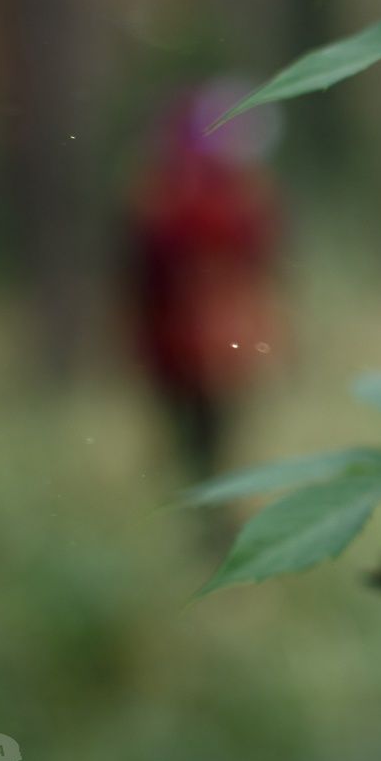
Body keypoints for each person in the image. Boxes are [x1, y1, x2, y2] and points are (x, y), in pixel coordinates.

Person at [126, 82, 281, 481]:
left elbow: (257, 264)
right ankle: (203, 505)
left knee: (207, 436)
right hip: (187, 345)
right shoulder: (174, 202)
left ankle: (203, 504)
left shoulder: (214, 199)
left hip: (210, 344)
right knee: (198, 436)